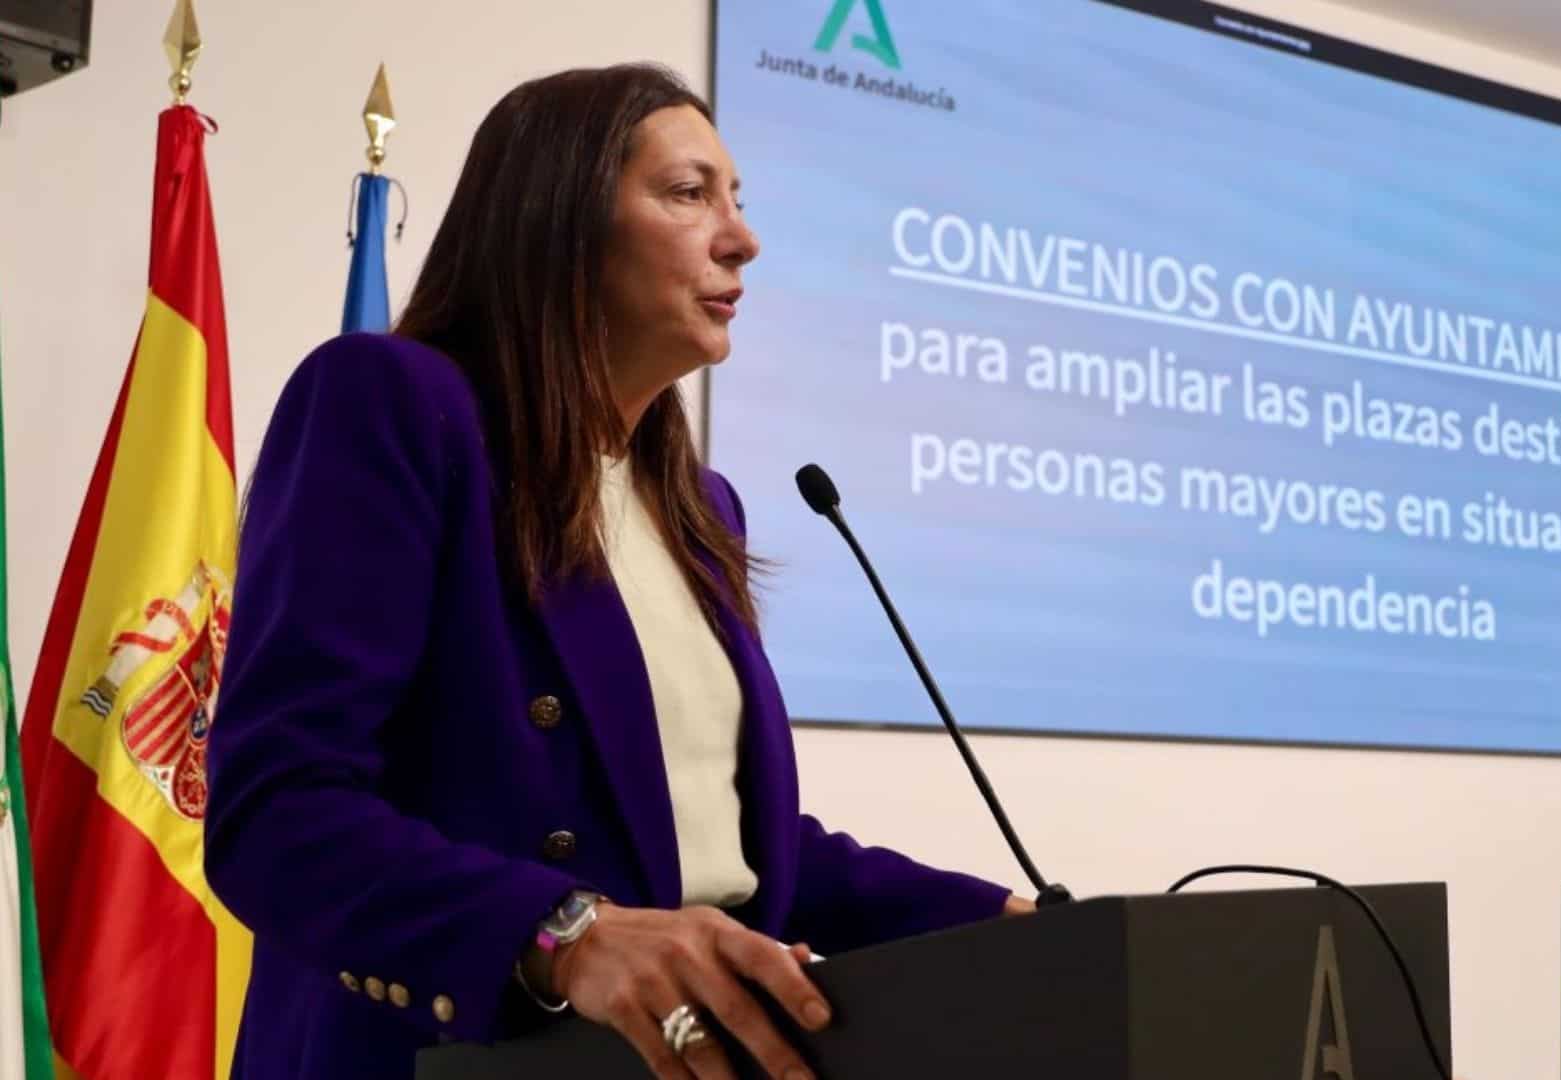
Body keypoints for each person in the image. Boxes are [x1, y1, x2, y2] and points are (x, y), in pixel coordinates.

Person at [205, 63, 1028, 1080]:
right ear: (561, 222)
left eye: (738, 200)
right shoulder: (393, 404)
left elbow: (732, 858)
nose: (741, 237)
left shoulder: (697, 506)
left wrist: (1012, 924)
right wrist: (563, 935)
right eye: (689, 194)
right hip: (446, 1058)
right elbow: (279, 811)